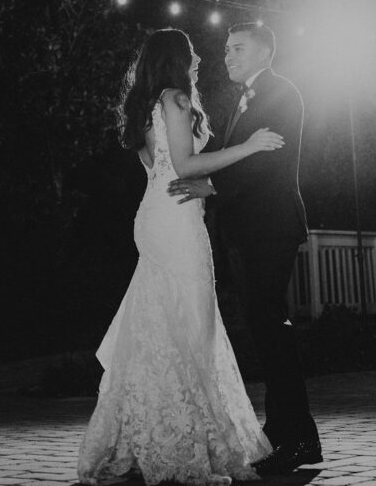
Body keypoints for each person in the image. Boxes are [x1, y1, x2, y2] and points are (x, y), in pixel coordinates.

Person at [77, 28, 282, 486]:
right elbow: (186, 166)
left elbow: (167, 166)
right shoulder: (175, 99)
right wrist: (249, 147)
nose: (199, 60)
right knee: (189, 325)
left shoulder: (149, 103)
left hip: (156, 214)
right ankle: (180, 444)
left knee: (161, 323)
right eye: (191, 54)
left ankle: (149, 436)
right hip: (175, 221)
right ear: (174, 60)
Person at [168, 22, 322, 476]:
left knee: (272, 328)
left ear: (264, 53)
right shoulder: (245, 98)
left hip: (271, 227)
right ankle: (286, 434)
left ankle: (296, 439)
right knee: (265, 328)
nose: (228, 56)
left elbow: (266, 164)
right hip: (248, 230)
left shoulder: (281, 92)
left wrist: (210, 186)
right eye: (227, 49)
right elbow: (240, 156)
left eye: (238, 49)